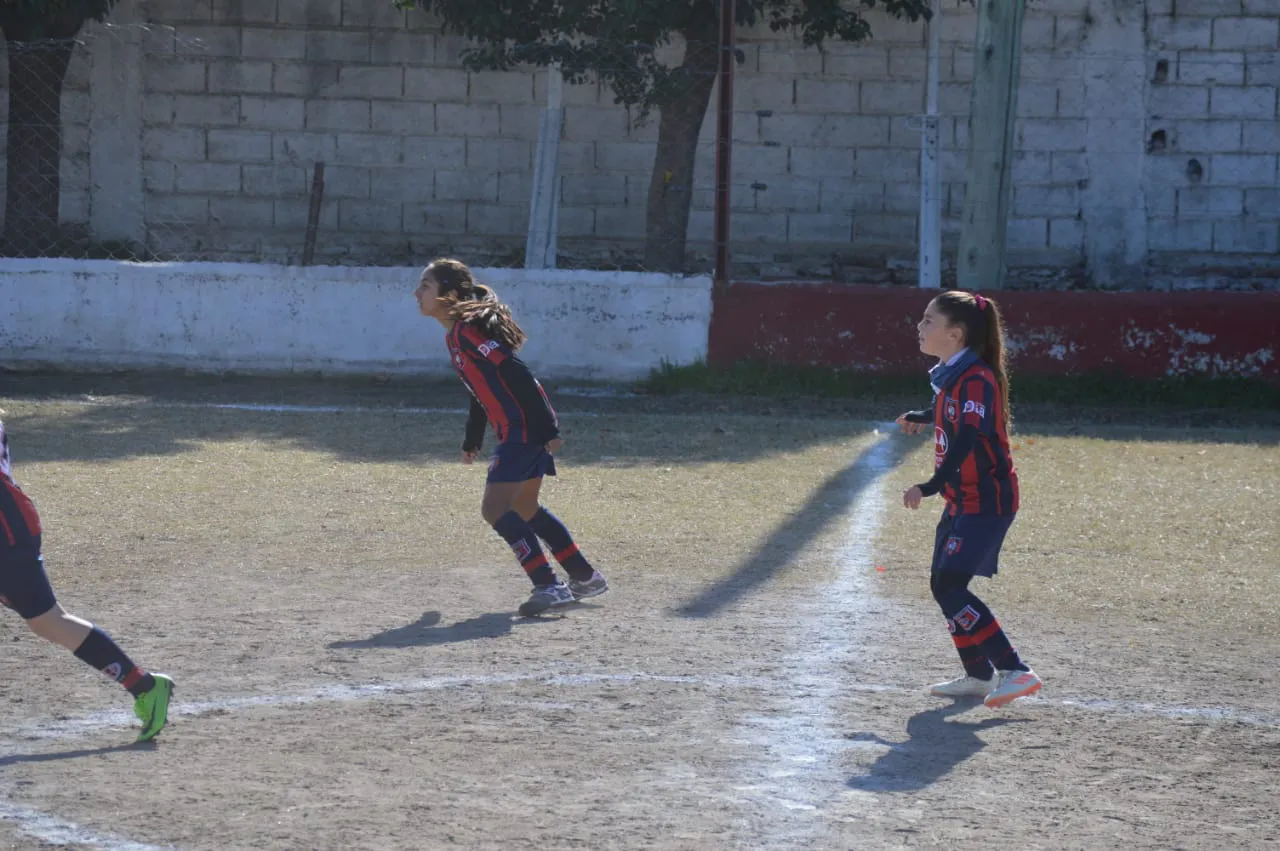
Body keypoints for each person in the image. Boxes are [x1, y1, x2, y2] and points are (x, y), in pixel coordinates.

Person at [414, 258, 608, 616]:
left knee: (494, 509)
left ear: (449, 294)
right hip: (519, 427)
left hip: (524, 427)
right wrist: (473, 437)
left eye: (425, 286)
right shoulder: (455, 335)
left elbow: (516, 372)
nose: (417, 293)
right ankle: (584, 577)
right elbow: (480, 389)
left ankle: (548, 585)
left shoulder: (467, 331)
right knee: (525, 506)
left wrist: (547, 429)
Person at [895, 290, 1042, 709]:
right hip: (964, 500)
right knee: (943, 586)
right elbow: (952, 414)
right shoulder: (953, 373)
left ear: (955, 334)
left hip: (987, 500)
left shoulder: (976, 377)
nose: (919, 327)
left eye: (928, 321)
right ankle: (978, 675)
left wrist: (930, 484)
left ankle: (1015, 670)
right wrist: (923, 417)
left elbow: (968, 436)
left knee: (951, 586)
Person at [0, 416, 174, 742]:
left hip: (5, 528)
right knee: (45, 622)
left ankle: (146, 687)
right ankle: (144, 686)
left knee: (47, 620)